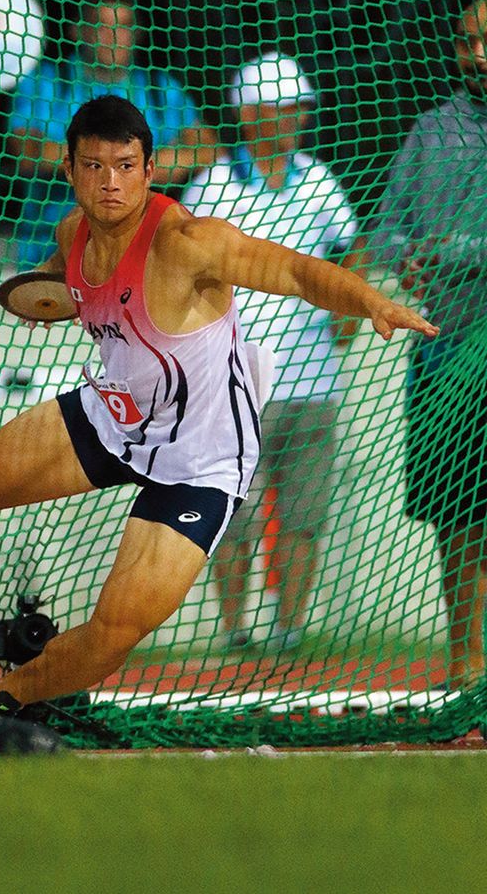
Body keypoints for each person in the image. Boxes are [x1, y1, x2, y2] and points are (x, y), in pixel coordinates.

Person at [0, 94, 437, 720]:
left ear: (149, 170)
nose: (110, 182)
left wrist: (370, 302)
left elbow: (299, 272)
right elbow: (62, 273)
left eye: (125, 166)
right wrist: (45, 293)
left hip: (202, 454)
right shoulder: (71, 232)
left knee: (113, 633)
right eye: (94, 166)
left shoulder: (187, 242)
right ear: (70, 170)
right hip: (115, 414)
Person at [183, 51, 365, 653]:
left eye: (299, 109)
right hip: (234, 384)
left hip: (315, 382)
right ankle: (236, 634)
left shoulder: (318, 178)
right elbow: (182, 263)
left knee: (304, 517)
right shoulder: (214, 183)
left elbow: (353, 247)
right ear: (249, 114)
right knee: (231, 518)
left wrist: (348, 312)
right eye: (282, 109)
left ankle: (289, 633)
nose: (295, 120)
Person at [371, 0, 487, 690]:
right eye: (468, 41)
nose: (479, 54)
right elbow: (386, 229)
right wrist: (406, 256)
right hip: (447, 348)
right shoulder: (432, 131)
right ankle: (466, 663)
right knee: (457, 515)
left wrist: (457, 248)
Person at [6, 0, 217, 269]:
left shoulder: (159, 87)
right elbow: (28, 151)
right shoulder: (48, 81)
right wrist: (128, 165)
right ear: (78, 31)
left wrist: (105, 164)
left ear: (138, 33)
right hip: (49, 253)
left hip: (143, 258)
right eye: (102, 25)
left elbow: (208, 150)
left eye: (124, 26)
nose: (114, 36)